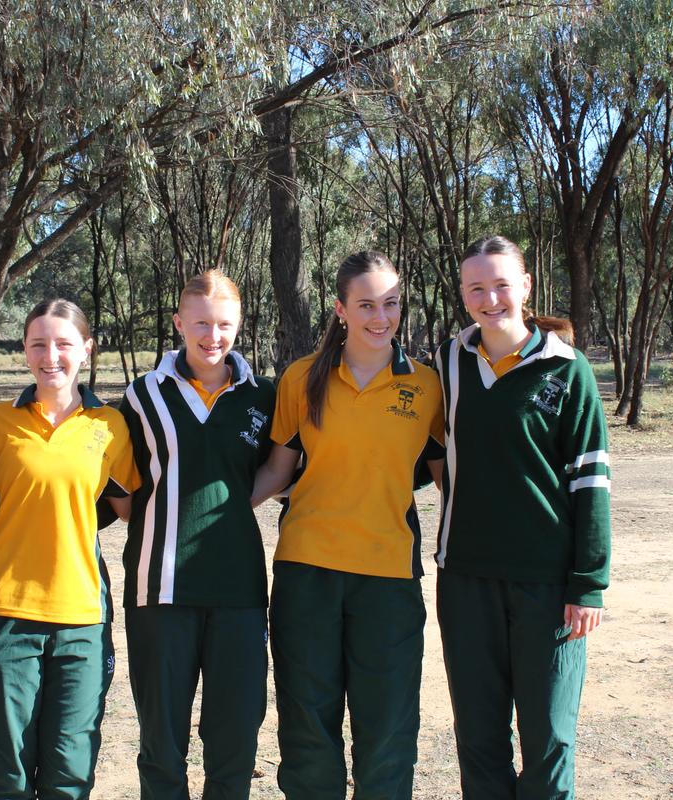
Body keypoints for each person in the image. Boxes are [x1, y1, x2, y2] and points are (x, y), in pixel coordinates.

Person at [252, 251, 447, 800]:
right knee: (307, 728)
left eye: (391, 303)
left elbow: (448, 480)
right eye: (366, 305)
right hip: (306, 573)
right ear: (340, 309)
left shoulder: (427, 387)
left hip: (388, 579)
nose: (381, 317)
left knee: (387, 730)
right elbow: (276, 471)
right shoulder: (301, 379)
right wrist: (206, 517)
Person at [434, 235, 611, 799]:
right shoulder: (448, 362)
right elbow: (422, 446)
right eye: (476, 288)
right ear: (463, 294)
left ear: (527, 286)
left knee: (549, 737)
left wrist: (588, 583)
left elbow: (591, 481)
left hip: (547, 583)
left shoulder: (567, 369)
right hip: (465, 577)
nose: (490, 299)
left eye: (502, 285)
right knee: (478, 736)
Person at [0, 298, 136, 799]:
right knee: (9, 776)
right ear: (24, 350)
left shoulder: (110, 426)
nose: (50, 356)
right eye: (38, 344)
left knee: (70, 773)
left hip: (82, 620)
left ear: (87, 349)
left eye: (63, 344)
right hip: (1, 615)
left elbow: (131, 510)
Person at [118, 270, 276, 800]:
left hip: (239, 589)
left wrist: (233, 505)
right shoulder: (142, 396)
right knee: (162, 743)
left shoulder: (263, 396)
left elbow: (277, 469)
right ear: (179, 323)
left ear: (239, 325)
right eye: (201, 323)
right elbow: (121, 486)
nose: (213, 336)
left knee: (235, 738)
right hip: (159, 589)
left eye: (224, 324)